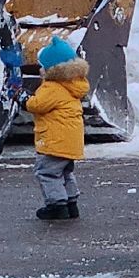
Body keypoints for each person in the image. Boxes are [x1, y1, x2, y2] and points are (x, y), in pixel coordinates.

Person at [25, 35, 89, 221]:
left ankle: (56, 206)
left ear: (52, 69)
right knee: (65, 172)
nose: (40, 69)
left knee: (47, 172)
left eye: (42, 66)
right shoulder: (73, 85)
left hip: (55, 141)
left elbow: (36, 105)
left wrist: (23, 99)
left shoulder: (52, 87)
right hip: (70, 141)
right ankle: (71, 203)